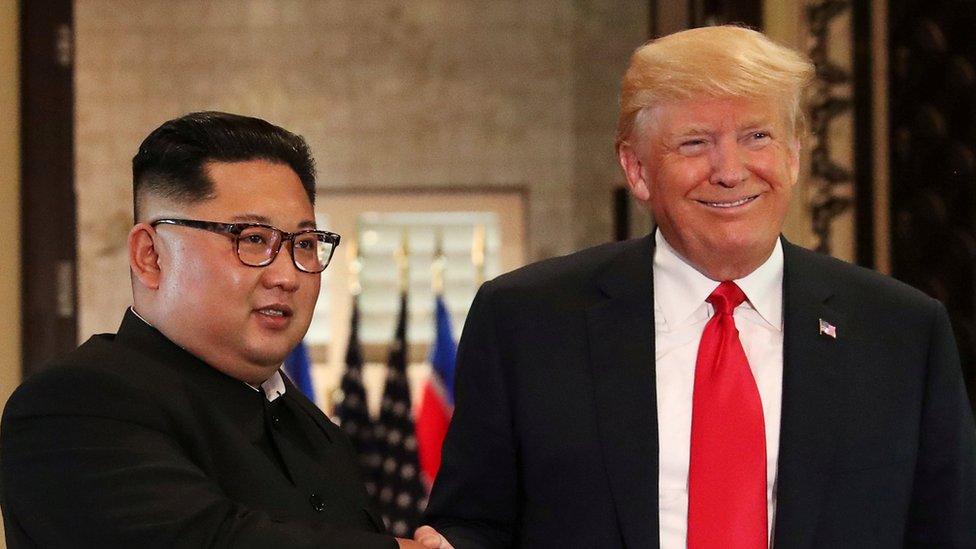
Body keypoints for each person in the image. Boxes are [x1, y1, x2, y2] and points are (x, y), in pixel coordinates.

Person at [416, 26, 976, 548]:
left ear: (795, 155)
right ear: (636, 170)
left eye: (758, 136)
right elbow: (472, 526)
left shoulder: (902, 332)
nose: (730, 170)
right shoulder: (526, 321)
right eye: (694, 144)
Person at [1, 112, 427, 549]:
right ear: (151, 256)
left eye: (303, 244)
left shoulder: (314, 428)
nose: (287, 275)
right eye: (253, 239)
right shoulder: (74, 403)